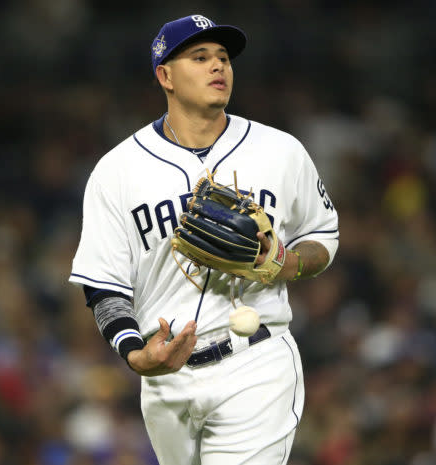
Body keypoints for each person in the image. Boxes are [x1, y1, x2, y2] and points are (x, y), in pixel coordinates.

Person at [69, 14, 339, 465]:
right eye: (200, 57)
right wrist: (136, 355)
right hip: (166, 373)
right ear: (165, 76)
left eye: (224, 58)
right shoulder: (117, 171)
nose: (219, 67)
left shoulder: (280, 150)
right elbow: (103, 286)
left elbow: (322, 238)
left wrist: (287, 262)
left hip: (257, 362)